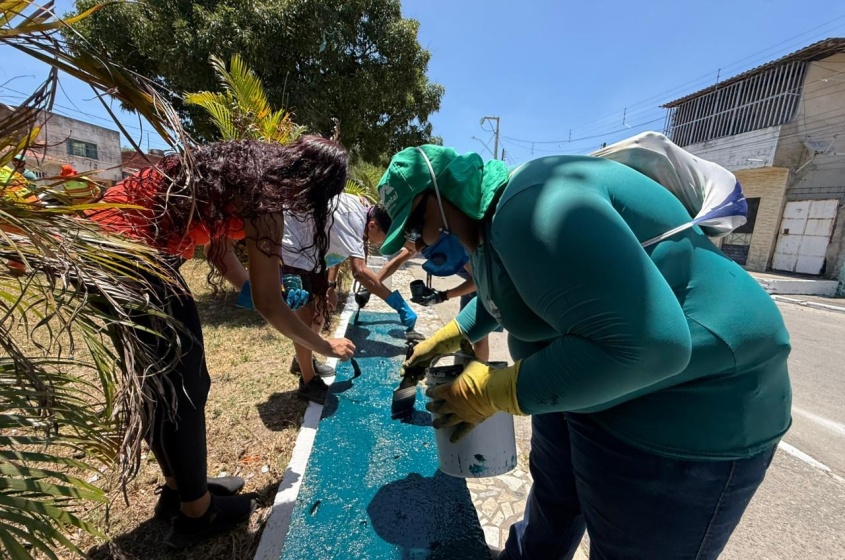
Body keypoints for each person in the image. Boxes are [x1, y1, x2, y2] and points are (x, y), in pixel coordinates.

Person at [377, 143, 791, 560]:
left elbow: (653, 347)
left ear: (441, 195)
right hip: (586, 382)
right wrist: (447, 337)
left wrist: (493, 392)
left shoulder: (532, 206)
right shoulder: (485, 231)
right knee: (553, 503)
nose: (418, 247)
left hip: (692, 408)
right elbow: (503, 296)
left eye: (414, 230)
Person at [85, 136, 355, 550]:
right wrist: (323, 345)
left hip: (102, 247)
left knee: (161, 382)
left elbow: (221, 254)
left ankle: (180, 490)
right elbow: (269, 302)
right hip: (137, 258)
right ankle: (199, 513)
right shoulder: (266, 198)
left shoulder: (240, 169)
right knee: (187, 385)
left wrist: (250, 287)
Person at [223, 194, 417, 404]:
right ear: (373, 225)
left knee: (318, 310)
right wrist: (399, 305)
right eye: (385, 238)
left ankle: (302, 359)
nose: (383, 244)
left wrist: (330, 286)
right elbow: (359, 271)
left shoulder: (361, 211)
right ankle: (308, 382)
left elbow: (335, 247)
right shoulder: (355, 218)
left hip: (310, 253)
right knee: (306, 315)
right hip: (292, 249)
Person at [367, 216, 495, 362]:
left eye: (404, 243)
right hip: (475, 284)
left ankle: (477, 381)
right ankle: (465, 375)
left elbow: (478, 282)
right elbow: (395, 264)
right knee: (466, 338)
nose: (407, 249)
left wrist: (443, 296)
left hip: (487, 284)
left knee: (478, 337)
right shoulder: (420, 242)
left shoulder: (450, 244)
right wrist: (371, 285)